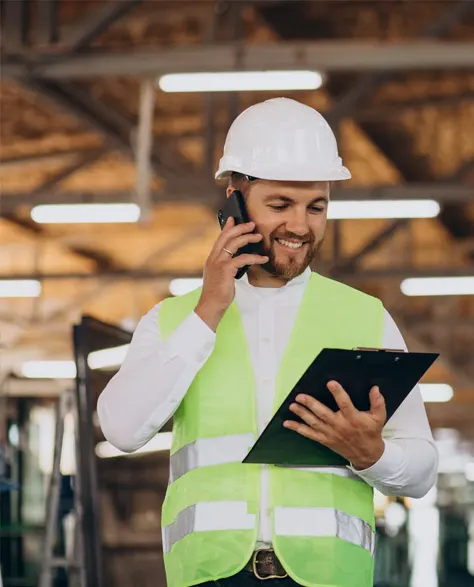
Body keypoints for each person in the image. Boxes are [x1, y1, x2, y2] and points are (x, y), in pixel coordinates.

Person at [97, 98, 438, 587]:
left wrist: (373, 455)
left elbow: (422, 471)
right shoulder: (175, 319)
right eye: (280, 205)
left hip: (327, 578)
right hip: (210, 574)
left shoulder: (365, 317)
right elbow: (122, 431)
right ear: (234, 199)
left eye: (315, 207)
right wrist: (209, 311)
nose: (300, 226)